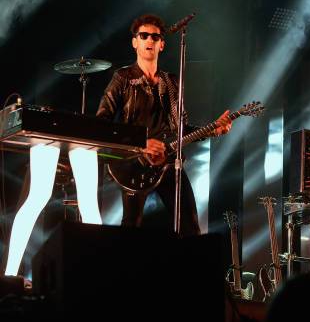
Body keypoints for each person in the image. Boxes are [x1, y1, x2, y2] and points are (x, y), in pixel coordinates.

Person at [96, 14, 232, 236]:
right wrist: (141, 143)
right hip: (135, 162)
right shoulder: (122, 78)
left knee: (190, 226)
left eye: (155, 37)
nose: (149, 40)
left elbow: (181, 129)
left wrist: (213, 129)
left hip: (169, 163)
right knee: (131, 226)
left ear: (162, 44)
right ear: (135, 42)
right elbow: (102, 123)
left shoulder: (172, 82)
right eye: (144, 35)